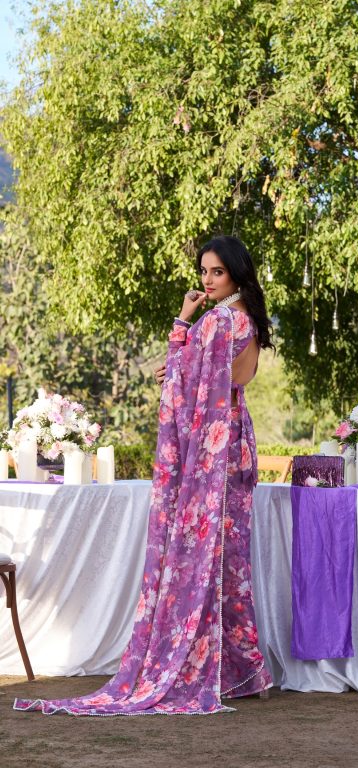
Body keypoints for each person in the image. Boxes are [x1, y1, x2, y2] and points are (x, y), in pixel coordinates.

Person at [14, 235, 274, 717]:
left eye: (216, 272)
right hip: (235, 440)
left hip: (211, 448)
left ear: (236, 273)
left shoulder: (219, 320)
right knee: (228, 560)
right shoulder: (250, 321)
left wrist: (181, 323)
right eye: (203, 271)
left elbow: (183, 381)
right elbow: (227, 379)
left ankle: (198, 668)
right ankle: (242, 671)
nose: (207, 280)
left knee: (196, 556)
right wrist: (179, 365)